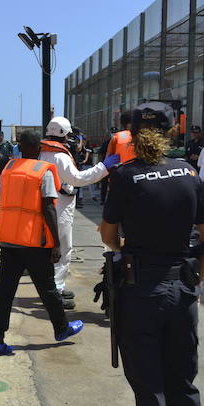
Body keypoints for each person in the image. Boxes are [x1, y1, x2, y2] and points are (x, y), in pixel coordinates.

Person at [99, 103, 204, 406]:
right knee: (183, 384)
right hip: (181, 286)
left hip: (141, 289)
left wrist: (124, 247)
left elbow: (107, 234)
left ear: (131, 135)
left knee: (150, 388)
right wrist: (195, 280)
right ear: (171, 133)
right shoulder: (189, 173)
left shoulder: (126, 177)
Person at [0, 130, 83, 358]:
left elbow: (3, 198)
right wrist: (57, 243)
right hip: (34, 242)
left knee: (4, 290)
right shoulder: (43, 172)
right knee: (47, 288)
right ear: (39, 148)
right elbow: (49, 207)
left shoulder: (8, 169)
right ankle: (61, 329)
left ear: (20, 147)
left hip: (9, 241)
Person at [40, 116, 118, 307]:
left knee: (50, 249)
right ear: (64, 134)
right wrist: (103, 167)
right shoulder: (60, 156)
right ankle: (56, 291)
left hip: (48, 205)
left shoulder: (43, 152)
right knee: (63, 249)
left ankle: (52, 288)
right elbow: (78, 179)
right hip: (60, 206)